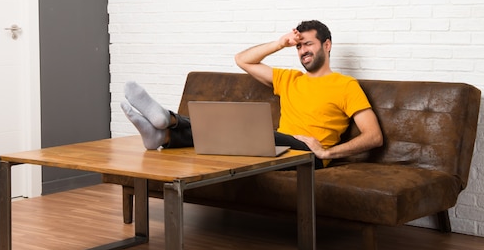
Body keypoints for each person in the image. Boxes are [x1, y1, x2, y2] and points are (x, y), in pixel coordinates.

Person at [121, 20, 383, 168]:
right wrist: (280, 43)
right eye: (299, 46)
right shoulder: (289, 78)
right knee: (228, 137)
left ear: (327, 45)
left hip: (307, 154)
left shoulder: (345, 85)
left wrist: (327, 153)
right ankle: (163, 133)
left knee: (244, 130)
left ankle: (169, 122)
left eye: (309, 44)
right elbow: (242, 60)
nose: (302, 50)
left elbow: (374, 136)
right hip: (277, 146)